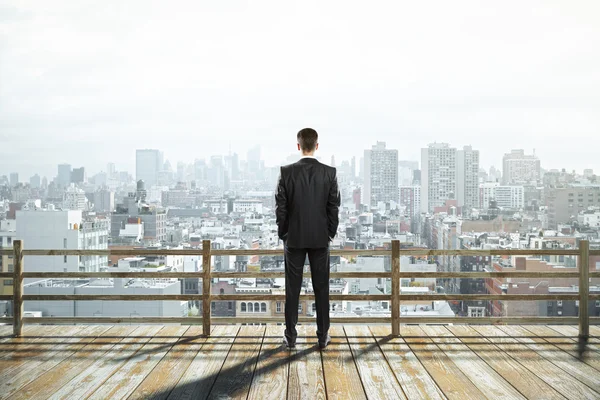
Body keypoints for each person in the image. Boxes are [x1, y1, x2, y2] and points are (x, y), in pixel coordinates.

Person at [275, 128, 341, 349]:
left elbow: (280, 209)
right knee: (321, 288)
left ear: (298, 146)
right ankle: (322, 336)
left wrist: (284, 233)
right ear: (317, 146)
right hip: (320, 239)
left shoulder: (286, 173)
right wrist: (329, 233)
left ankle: (291, 337)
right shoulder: (329, 173)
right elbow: (334, 208)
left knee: (292, 289)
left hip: (293, 239)